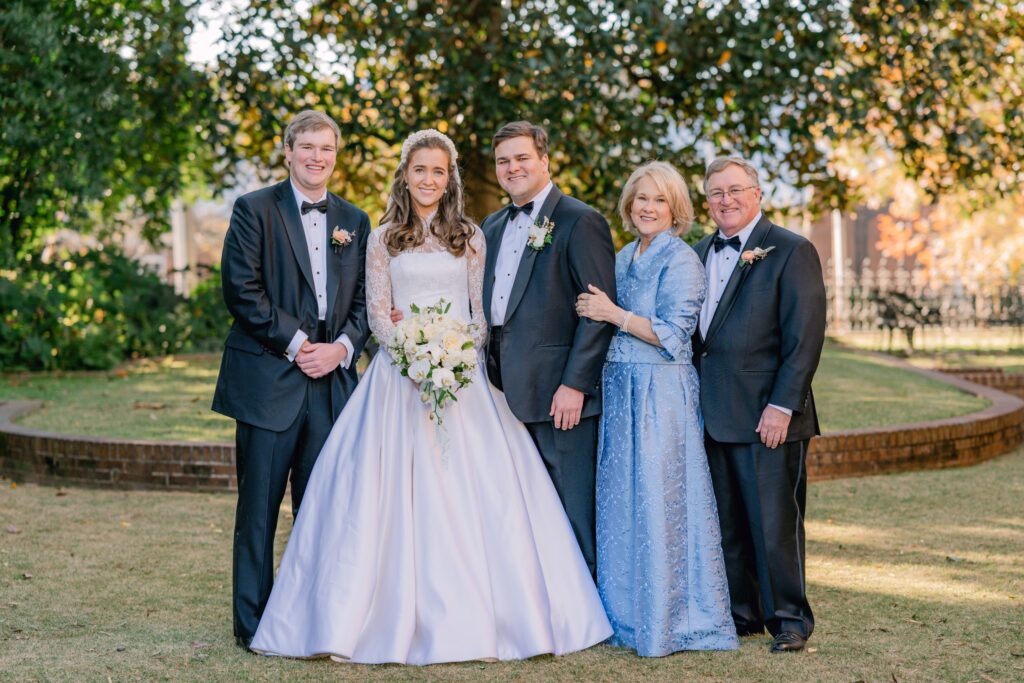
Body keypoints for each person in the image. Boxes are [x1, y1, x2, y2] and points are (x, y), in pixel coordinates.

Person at [248, 129, 612, 664]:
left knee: (480, 496)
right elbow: (377, 313)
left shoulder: (472, 235)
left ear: (450, 178)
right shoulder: (382, 235)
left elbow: (480, 314)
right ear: (406, 173)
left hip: (461, 380)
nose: (429, 180)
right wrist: (413, 354)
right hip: (398, 379)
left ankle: (497, 616)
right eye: (420, 170)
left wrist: (453, 356)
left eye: (439, 171)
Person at [211, 110, 371, 649]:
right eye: (306, 147)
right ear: (287, 151)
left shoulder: (356, 219)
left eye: (326, 148)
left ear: (336, 153)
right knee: (258, 510)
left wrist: (342, 349)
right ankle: (254, 628)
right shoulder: (254, 209)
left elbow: (369, 302)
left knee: (324, 508)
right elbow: (242, 291)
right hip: (268, 382)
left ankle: (314, 620)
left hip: (332, 385)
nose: (316, 157)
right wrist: (301, 346)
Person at [575, 161, 739, 656]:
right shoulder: (623, 256)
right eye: (640, 199)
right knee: (621, 500)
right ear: (629, 205)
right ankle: (625, 616)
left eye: (659, 200)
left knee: (659, 501)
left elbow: (674, 333)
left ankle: (671, 620)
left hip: (661, 396)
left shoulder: (682, 260)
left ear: (676, 209)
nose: (647, 208)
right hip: (620, 392)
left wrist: (613, 313)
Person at [692, 156, 826, 653]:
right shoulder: (699, 250)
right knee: (725, 522)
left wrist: (783, 405)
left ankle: (790, 620)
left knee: (774, 524)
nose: (725, 200)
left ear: (757, 194)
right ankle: (740, 613)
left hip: (769, 415)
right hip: (712, 413)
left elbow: (804, 337)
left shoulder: (791, 251)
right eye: (715, 193)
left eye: (734, 190)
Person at [480, 121, 617, 577]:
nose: (512, 167)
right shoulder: (492, 225)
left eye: (521, 158)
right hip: (499, 390)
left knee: (571, 505)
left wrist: (575, 385)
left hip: (559, 394)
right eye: (503, 161)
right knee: (522, 504)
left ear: (544, 160)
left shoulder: (581, 220)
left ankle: (586, 610)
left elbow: (598, 313)